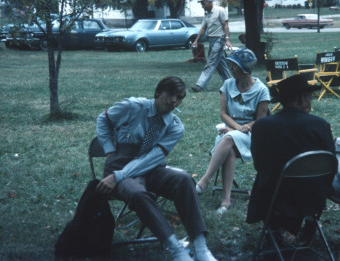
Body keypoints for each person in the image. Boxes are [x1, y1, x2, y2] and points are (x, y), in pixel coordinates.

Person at [95, 76, 217, 261]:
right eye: (170, 95)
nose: (174, 101)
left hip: (149, 167)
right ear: (158, 92)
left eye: (179, 97)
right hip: (120, 166)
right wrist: (110, 150)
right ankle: (176, 250)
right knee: (136, 192)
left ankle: (201, 249)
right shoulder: (133, 106)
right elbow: (103, 120)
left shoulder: (176, 127)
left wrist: (118, 176)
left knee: (184, 180)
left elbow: (151, 159)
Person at [247, 74, 335, 238]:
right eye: (308, 98)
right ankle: (310, 223)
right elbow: (330, 164)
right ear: (300, 99)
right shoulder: (320, 125)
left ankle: (273, 230)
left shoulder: (262, 126)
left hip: (274, 196)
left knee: (265, 178)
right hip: (313, 195)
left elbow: (258, 165)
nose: (309, 103)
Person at [195, 48, 270, 214]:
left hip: (252, 134)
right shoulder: (228, 84)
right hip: (230, 131)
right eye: (230, 64)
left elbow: (261, 121)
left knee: (228, 139)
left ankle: (204, 181)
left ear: (243, 68)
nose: (230, 68)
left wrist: (239, 129)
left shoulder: (261, 90)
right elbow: (223, 113)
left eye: (233, 65)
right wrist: (235, 128)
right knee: (228, 145)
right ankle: (226, 200)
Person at [191, 0, 232, 92]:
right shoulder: (206, 14)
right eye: (201, 4)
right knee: (221, 65)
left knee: (211, 62)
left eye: (203, 3)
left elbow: (226, 25)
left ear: (210, 2)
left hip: (219, 39)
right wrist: (196, 41)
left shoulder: (220, 10)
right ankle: (231, 84)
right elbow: (203, 28)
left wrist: (227, 39)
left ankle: (200, 85)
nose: (202, 6)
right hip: (211, 40)